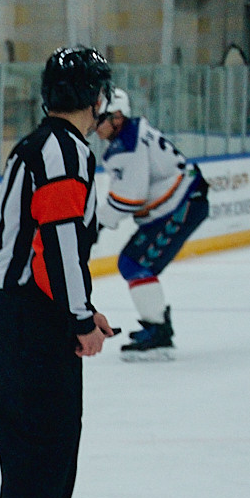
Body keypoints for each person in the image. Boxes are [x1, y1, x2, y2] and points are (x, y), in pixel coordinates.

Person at [0, 46, 117, 498]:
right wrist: (77, 317)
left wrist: (81, 307)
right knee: (36, 442)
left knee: (57, 435)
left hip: (27, 312)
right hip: (25, 318)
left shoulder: (47, 145)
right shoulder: (62, 152)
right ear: (97, 97)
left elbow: (51, 249)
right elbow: (55, 247)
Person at [91, 87, 208, 360]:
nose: (95, 126)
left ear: (118, 117)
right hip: (181, 203)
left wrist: (96, 225)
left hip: (183, 204)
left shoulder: (128, 144)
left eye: (101, 119)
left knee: (135, 263)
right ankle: (157, 326)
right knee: (134, 263)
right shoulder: (130, 136)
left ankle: (159, 333)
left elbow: (130, 198)